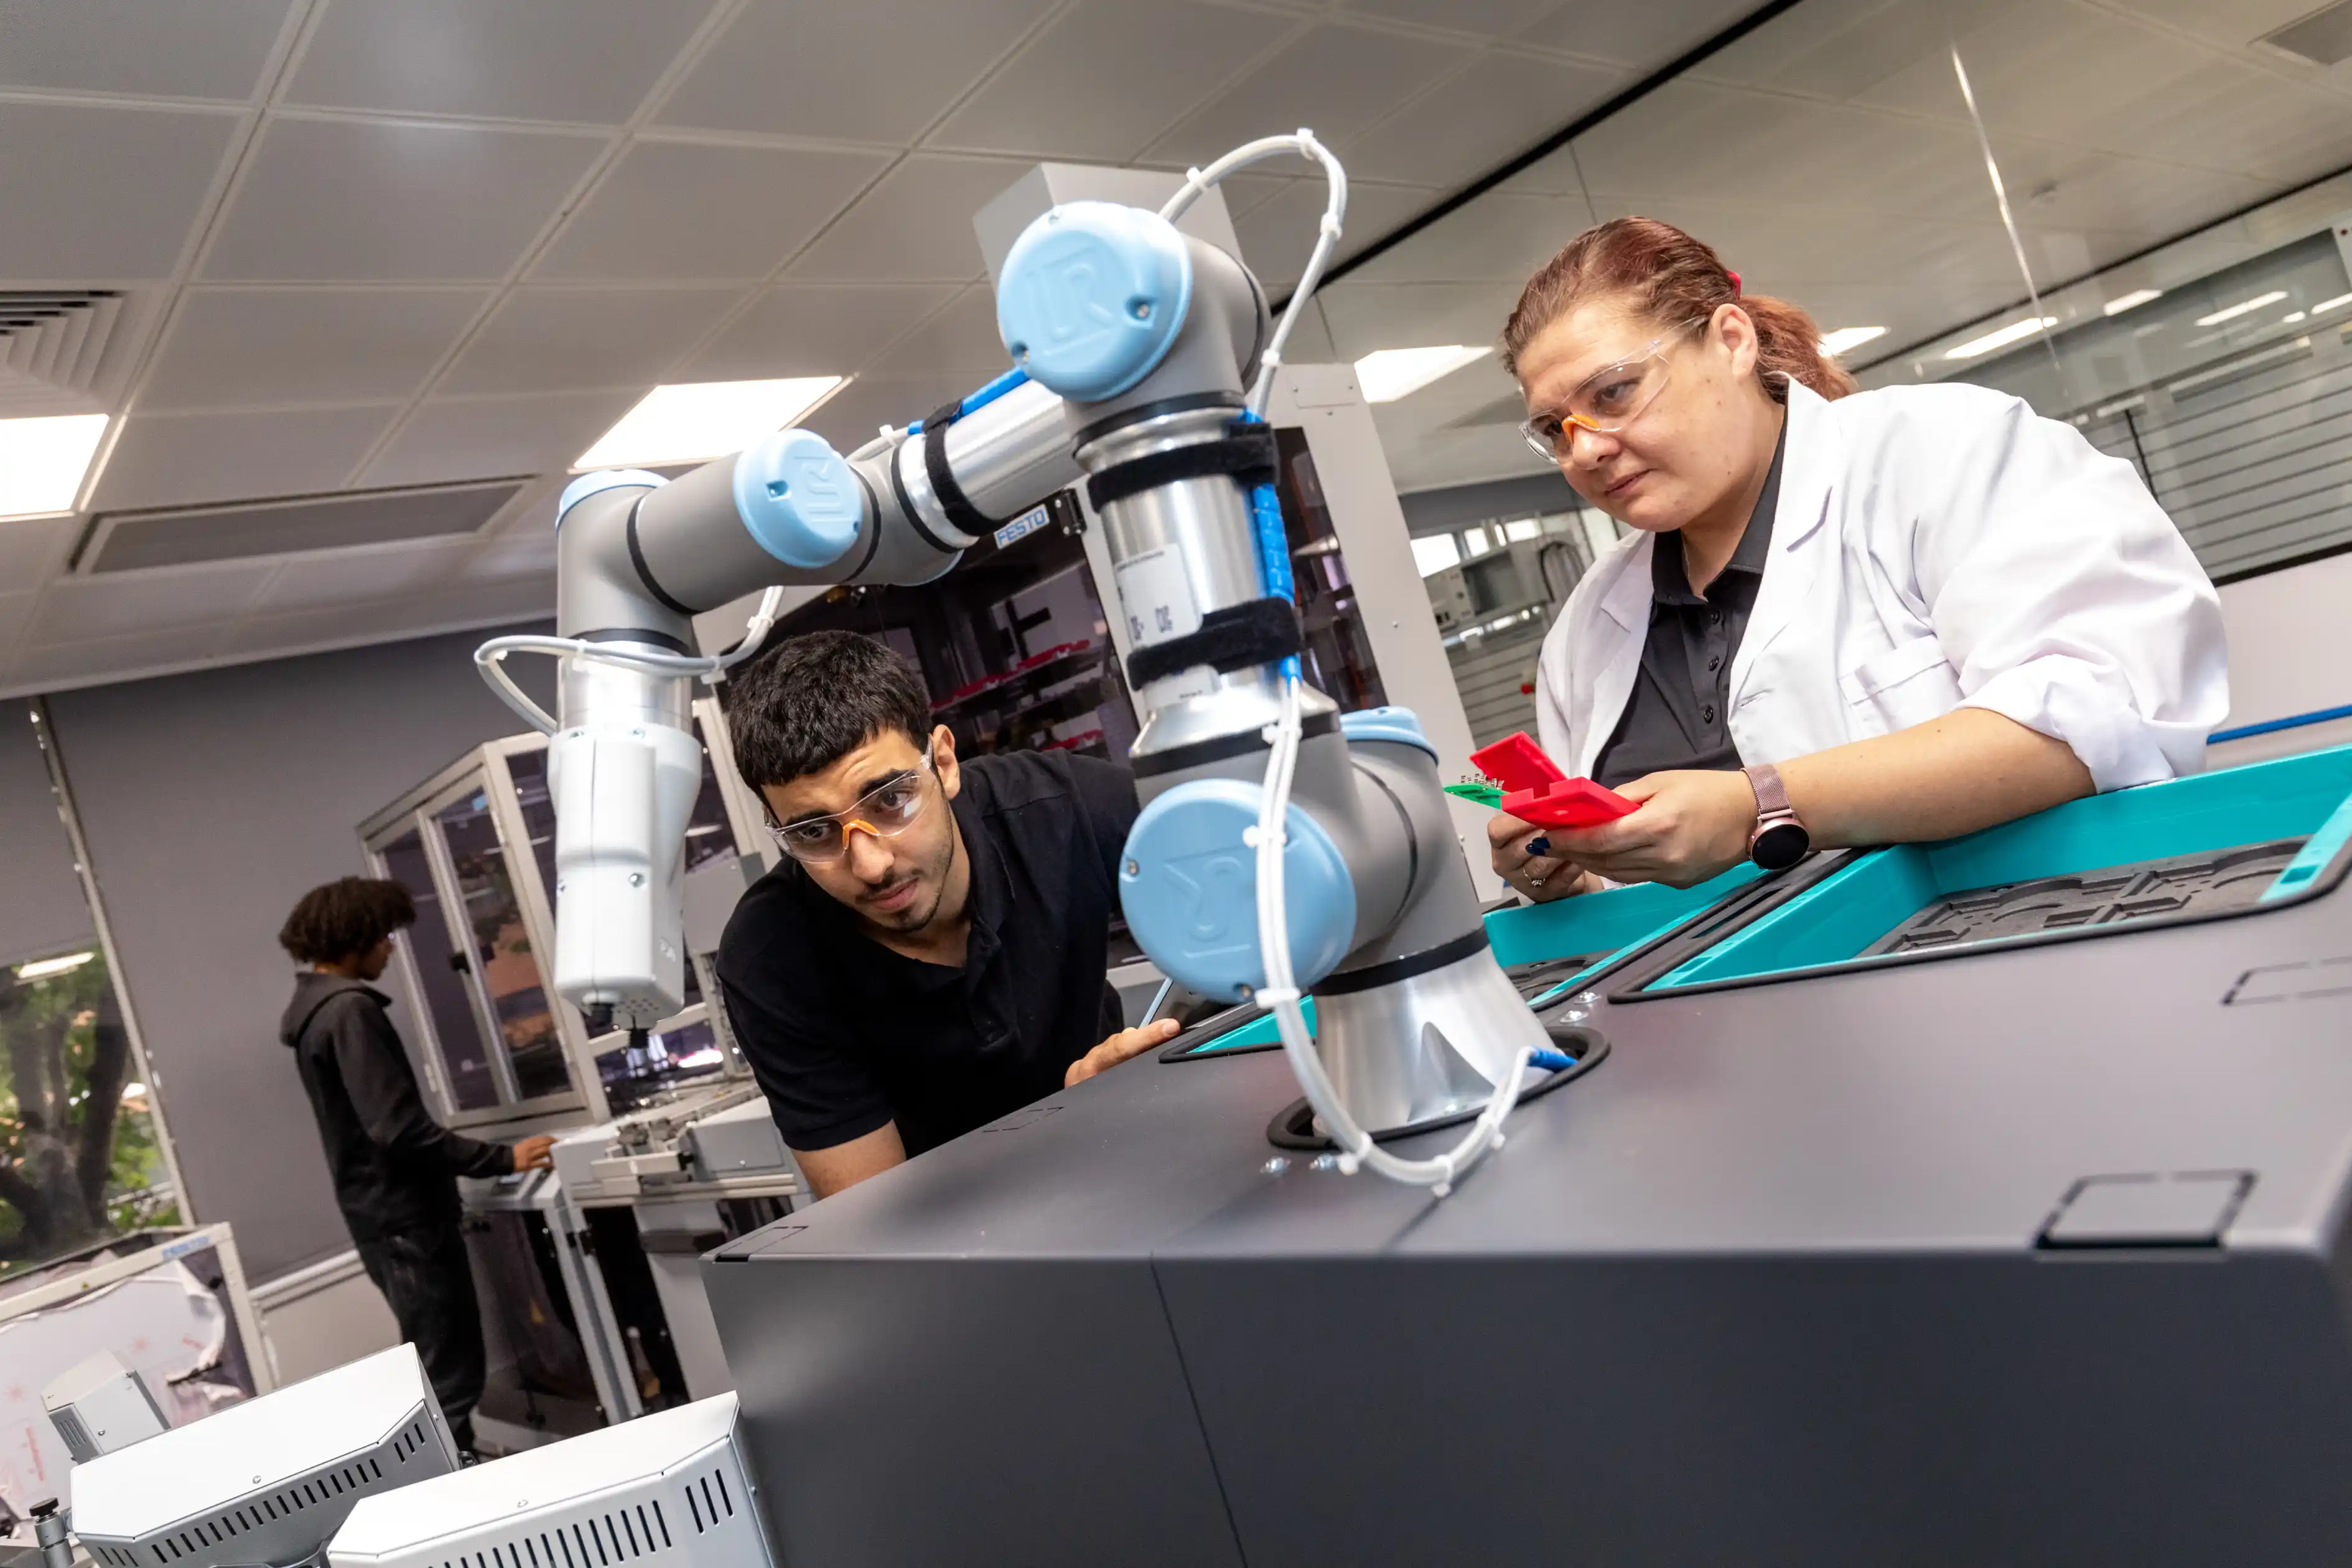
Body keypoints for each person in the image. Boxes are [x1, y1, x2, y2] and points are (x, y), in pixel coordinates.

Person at [1488, 217, 2228, 900]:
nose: (1586, 449)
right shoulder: (1588, 627)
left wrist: (1761, 805)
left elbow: (2101, 717)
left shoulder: (1945, 453)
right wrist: (1578, 877)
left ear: (1733, 341)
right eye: (1555, 429)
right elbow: (1644, 877)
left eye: (1615, 392)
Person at [714, 632, 1181, 1200]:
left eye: (891, 799)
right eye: (814, 833)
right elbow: (876, 1218)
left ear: (943, 761)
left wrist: (1164, 1064)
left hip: (1135, 1164)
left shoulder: (1063, 809)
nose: (871, 865)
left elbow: (1263, 932)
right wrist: (1074, 1132)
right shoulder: (770, 957)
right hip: (949, 1231)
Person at [278, 876, 554, 1454]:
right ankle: (454, 1488)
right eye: (383, 935)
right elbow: (399, 1129)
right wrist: (502, 1158)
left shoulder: (315, 1014)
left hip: (383, 1220)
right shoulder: (349, 1012)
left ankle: (455, 1473)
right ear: (353, 936)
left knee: (438, 1368)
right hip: (407, 1223)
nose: (390, 947)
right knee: (450, 1379)